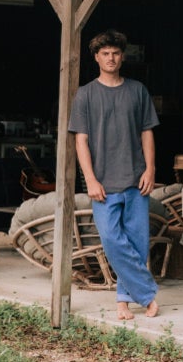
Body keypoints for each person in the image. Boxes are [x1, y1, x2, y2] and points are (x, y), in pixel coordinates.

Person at [68, 29, 160, 320]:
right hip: (103, 184)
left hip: (136, 179)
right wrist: (90, 179)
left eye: (116, 53)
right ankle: (147, 294)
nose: (111, 58)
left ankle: (123, 301)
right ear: (96, 57)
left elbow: (147, 132)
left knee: (137, 243)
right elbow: (80, 141)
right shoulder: (85, 94)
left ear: (122, 57)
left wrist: (150, 168)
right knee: (111, 239)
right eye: (105, 53)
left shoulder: (137, 90)